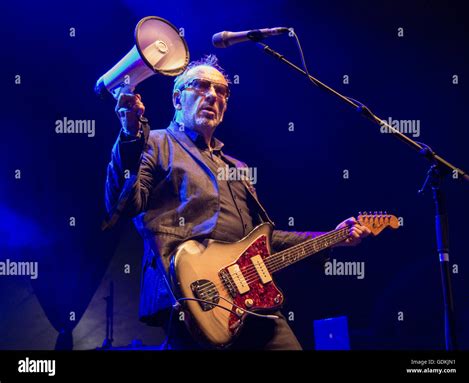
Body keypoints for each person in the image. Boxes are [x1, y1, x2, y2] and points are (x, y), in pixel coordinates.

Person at [104, 54, 370, 350]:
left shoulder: (237, 168)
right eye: (201, 86)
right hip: (194, 296)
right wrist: (129, 136)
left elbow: (264, 238)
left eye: (221, 91)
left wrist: (332, 238)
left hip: (253, 298)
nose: (212, 96)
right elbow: (123, 205)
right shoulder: (155, 142)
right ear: (178, 100)